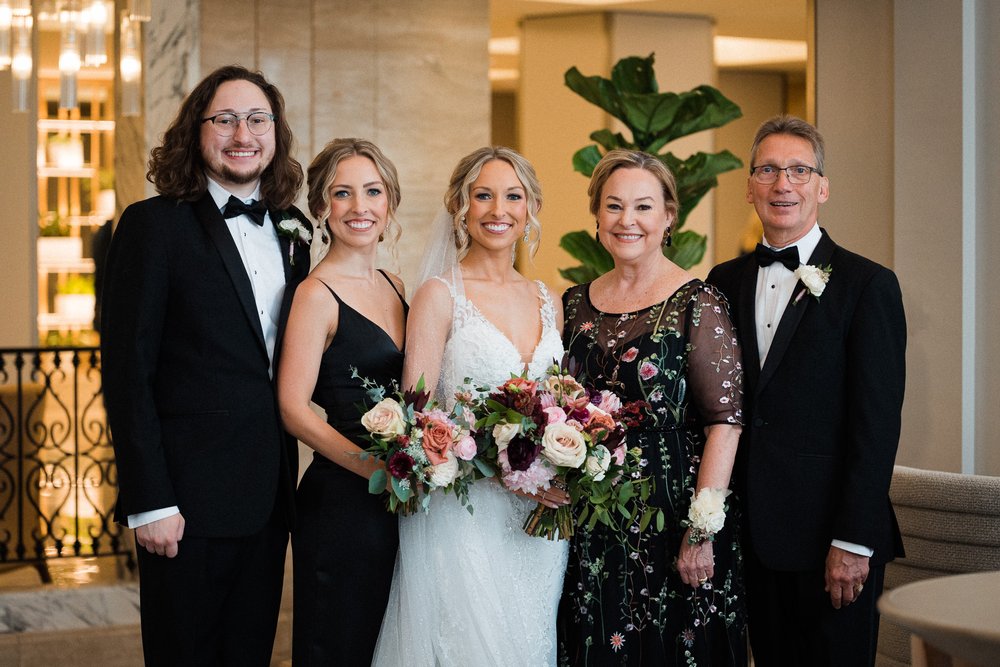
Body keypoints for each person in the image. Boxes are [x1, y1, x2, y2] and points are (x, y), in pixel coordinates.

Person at [101, 65, 308, 666]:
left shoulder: (294, 232)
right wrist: (150, 501)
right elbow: (126, 371)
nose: (243, 134)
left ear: (275, 133)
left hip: (267, 499)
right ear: (198, 131)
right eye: (225, 120)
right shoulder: (152, 226)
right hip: (183, 503)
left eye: (257, 119)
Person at [707, 115, 906, 666]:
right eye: (767, 170)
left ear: (822, 186)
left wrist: (853, 540)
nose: (782, 184)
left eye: (799, 170)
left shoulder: (868, 286)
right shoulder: (721, 282)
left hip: (830, 542)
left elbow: (877, 425)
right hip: (748, 535)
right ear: (749, 187)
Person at [372, 146, 569, 666]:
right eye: (483, 195)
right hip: (464, 516)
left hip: (537, 521)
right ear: (460, 206)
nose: (497, 209)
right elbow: (416, 421)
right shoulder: (440, 295)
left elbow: (559, 402)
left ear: (530, 208)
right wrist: (496, 465)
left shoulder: (548, 298)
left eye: (513, 196)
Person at [558, 149, 747, 666]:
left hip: (673, 519)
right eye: (614, 206)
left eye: (643, 207)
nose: (627, 221)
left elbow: (724, 425)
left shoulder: (698, 302)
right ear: (596, 216)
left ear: (668, 217)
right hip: (589, 525)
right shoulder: (573, 304)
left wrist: (702, 531)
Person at [276, 139, 406, 666]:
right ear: (321, 207)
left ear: (389, 202)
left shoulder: (395, 284)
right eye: (343, 193)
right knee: (338, 643)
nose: (360, 207)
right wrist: (373, 466)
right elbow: (292, 407)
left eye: (372, 191)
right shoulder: (315, 293)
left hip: (401, 493)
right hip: (342, 501)